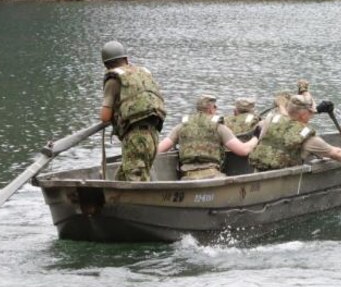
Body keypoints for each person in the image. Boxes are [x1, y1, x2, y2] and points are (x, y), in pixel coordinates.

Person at [99, 40, 166, 182]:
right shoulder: (144, 73)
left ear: (106, 65)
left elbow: (105, 117)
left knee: (136, 182)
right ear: (126, 59)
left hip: (136, 137)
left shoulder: (114, 80)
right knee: (121, 179)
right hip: (154, 135)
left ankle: (142, 204)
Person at [156, 95, 253, 180]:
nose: (216, 109)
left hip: (187, 177)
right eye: (215, 106)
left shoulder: (182, 126)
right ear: (211, 109)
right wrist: (256, 137)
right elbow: (243, 150)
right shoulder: (219, 127)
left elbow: (159, 149)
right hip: (212, 176)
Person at [248, 95, 341, 171]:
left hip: (258, 169)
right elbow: (336, 153)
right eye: (311, 113)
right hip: (285, 179)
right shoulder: (306, 136)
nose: (312, 115)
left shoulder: (271, 119)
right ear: (303, 115)